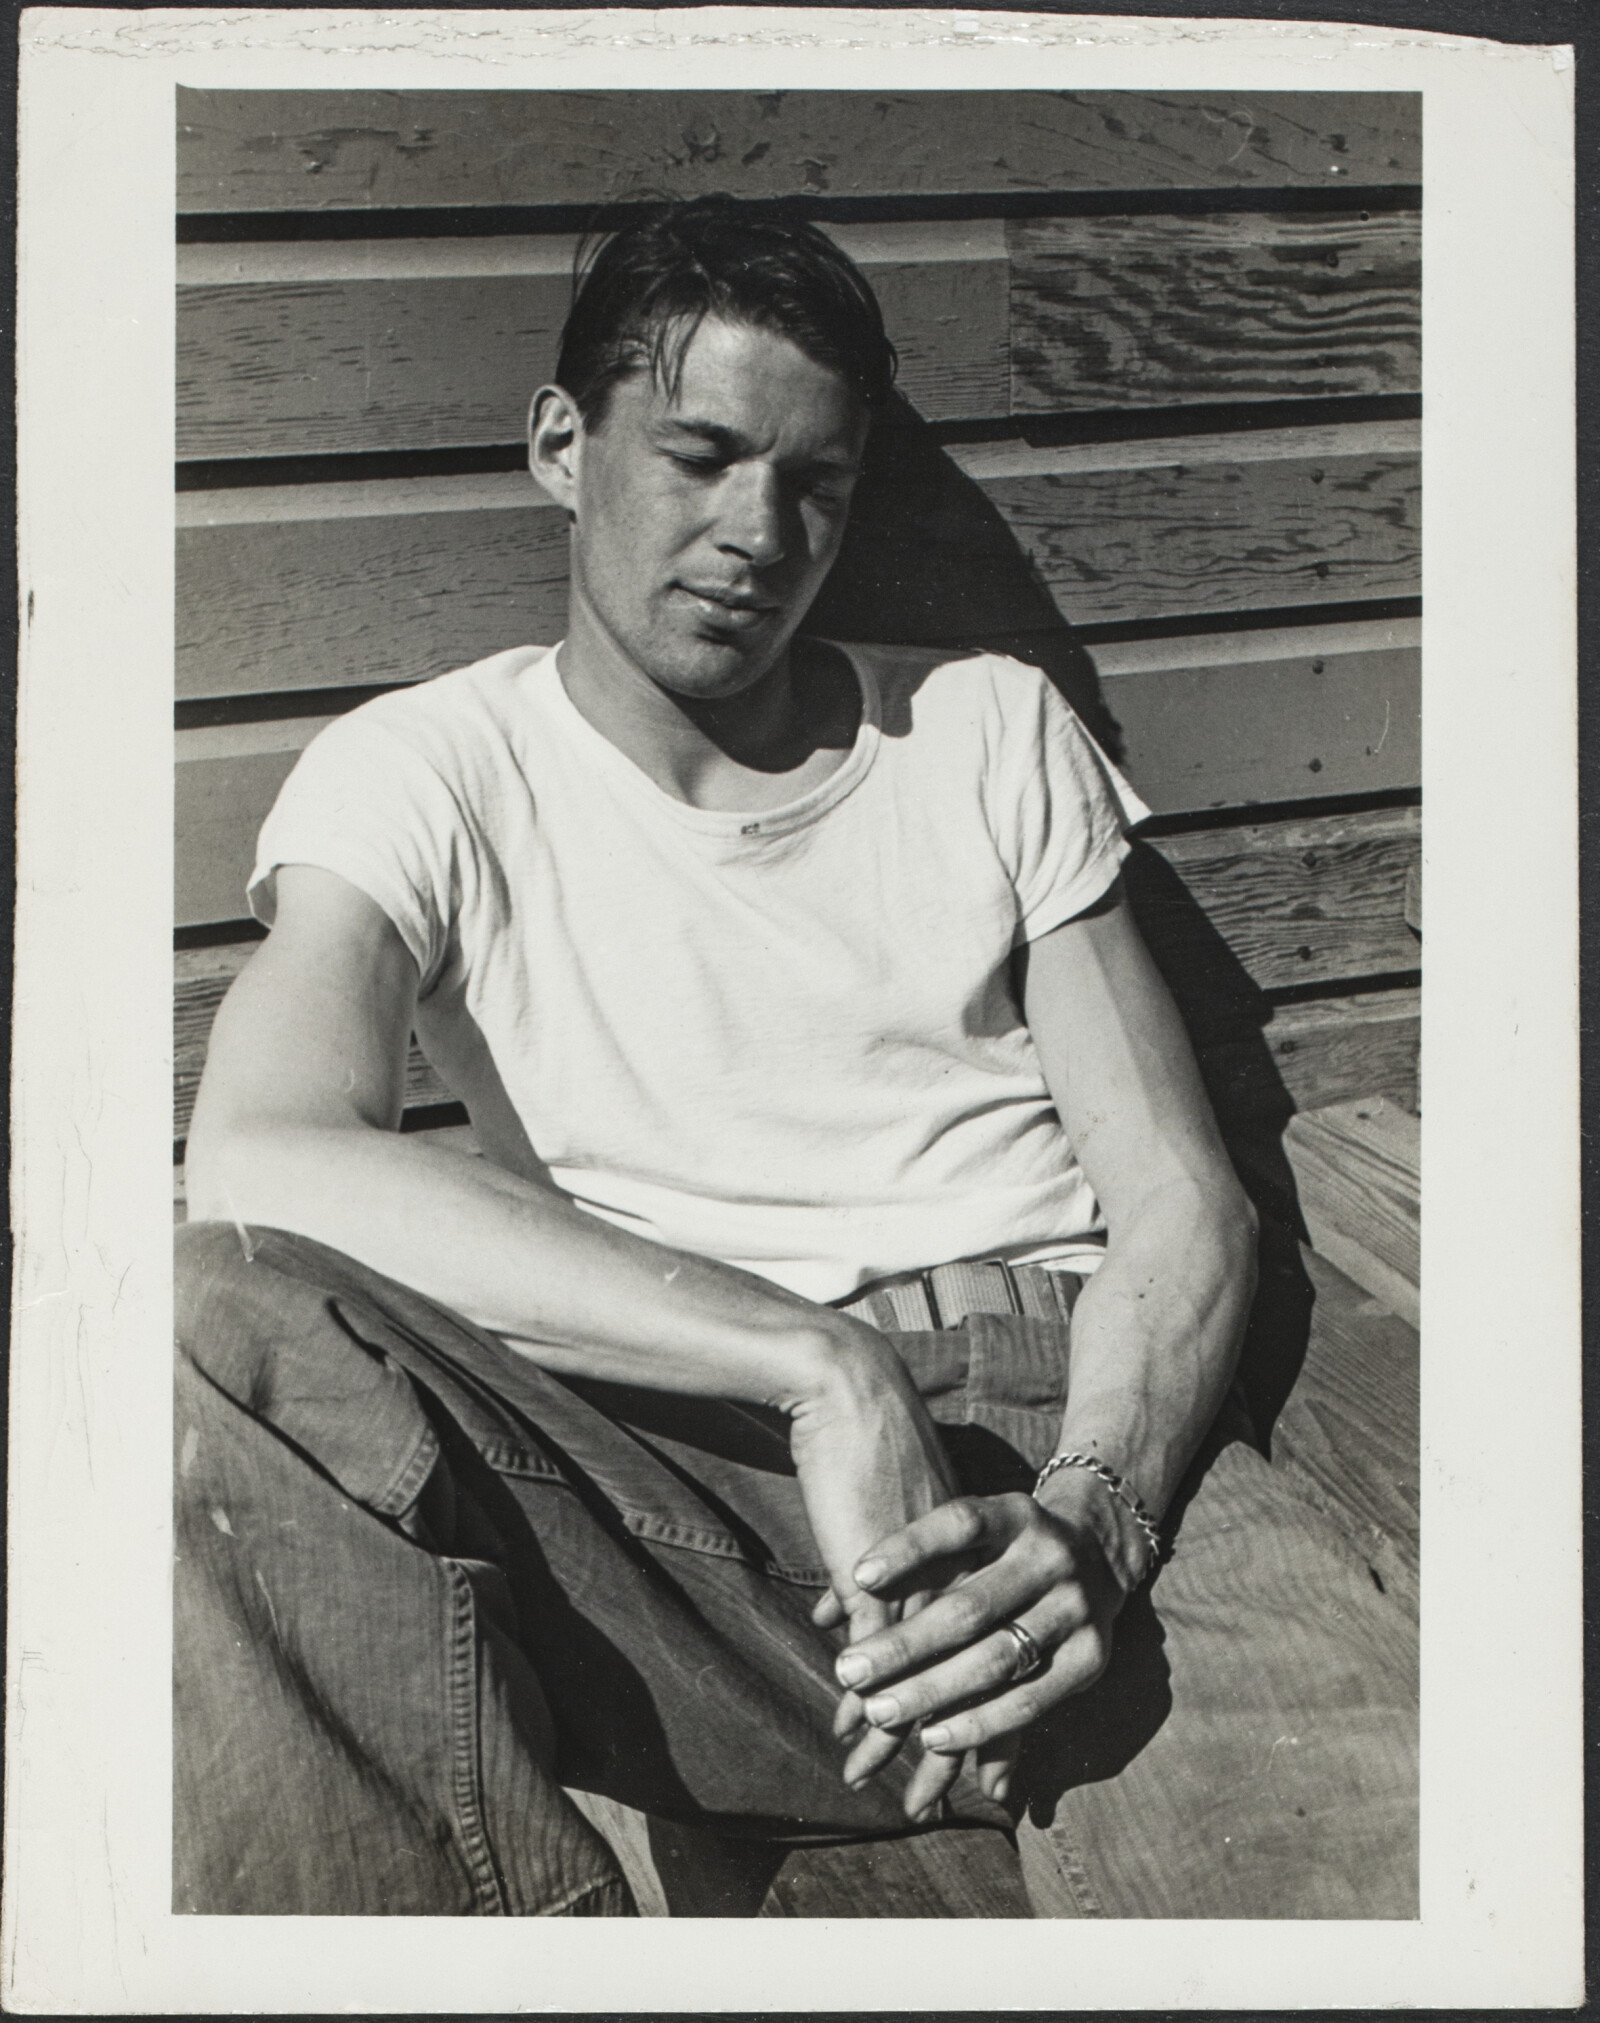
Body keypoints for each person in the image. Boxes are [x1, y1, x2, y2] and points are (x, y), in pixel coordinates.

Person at [175, 197, 1417, 1918]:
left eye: (816, 482)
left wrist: (1101, 1519)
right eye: (699, 456)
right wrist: (818, 1366)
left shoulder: (981, 723)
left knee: (1353, 1886)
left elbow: (1178, 1200)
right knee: (211, 1331)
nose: (758, 532)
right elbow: (255, 1168)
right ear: (562, 446)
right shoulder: (428, 769)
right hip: (684, 1491)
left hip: (1061, 1443)